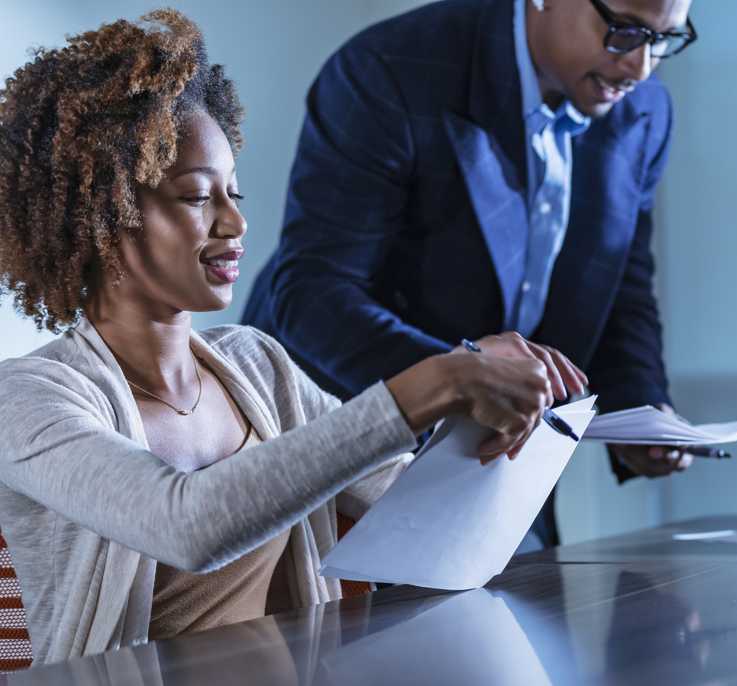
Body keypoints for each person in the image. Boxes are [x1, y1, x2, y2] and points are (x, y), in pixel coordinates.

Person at [0, 10, 554, 664]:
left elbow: (421, 517)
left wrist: (517, 438)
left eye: (233, 192)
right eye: (196, 196)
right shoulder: (27, 400)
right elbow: (187, 524)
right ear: (102, 214)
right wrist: (432, 383)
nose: (235, 221)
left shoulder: (258, 364)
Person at [241, 0, 699, 549]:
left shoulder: (644, 111)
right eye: (623, 31)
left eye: (664, 38)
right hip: (348, 458)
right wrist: (461, 381)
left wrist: (640, 409)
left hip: (504, 461)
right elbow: (311, 294)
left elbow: (621, 285)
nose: (640, 67)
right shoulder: (388, 70)